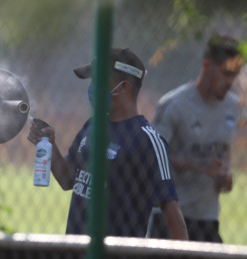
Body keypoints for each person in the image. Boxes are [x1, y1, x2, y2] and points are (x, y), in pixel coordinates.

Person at [27, 48, 188, 240]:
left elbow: (170, 207)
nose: (93, 87)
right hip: (73, 255)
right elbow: (67, 180)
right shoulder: (92, 125)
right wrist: (50, 146)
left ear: (123, 86)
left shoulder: (148, 141)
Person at [150, 34, 244, 242]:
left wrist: (224, 174)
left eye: (235, 75)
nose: (230, 82)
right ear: (207, 65)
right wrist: (197, 164)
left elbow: (222, 149)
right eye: (226, 73)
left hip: (207, 219)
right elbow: (152, 156)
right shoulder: (174, 104)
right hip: (170, 218)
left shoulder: (234, 107)